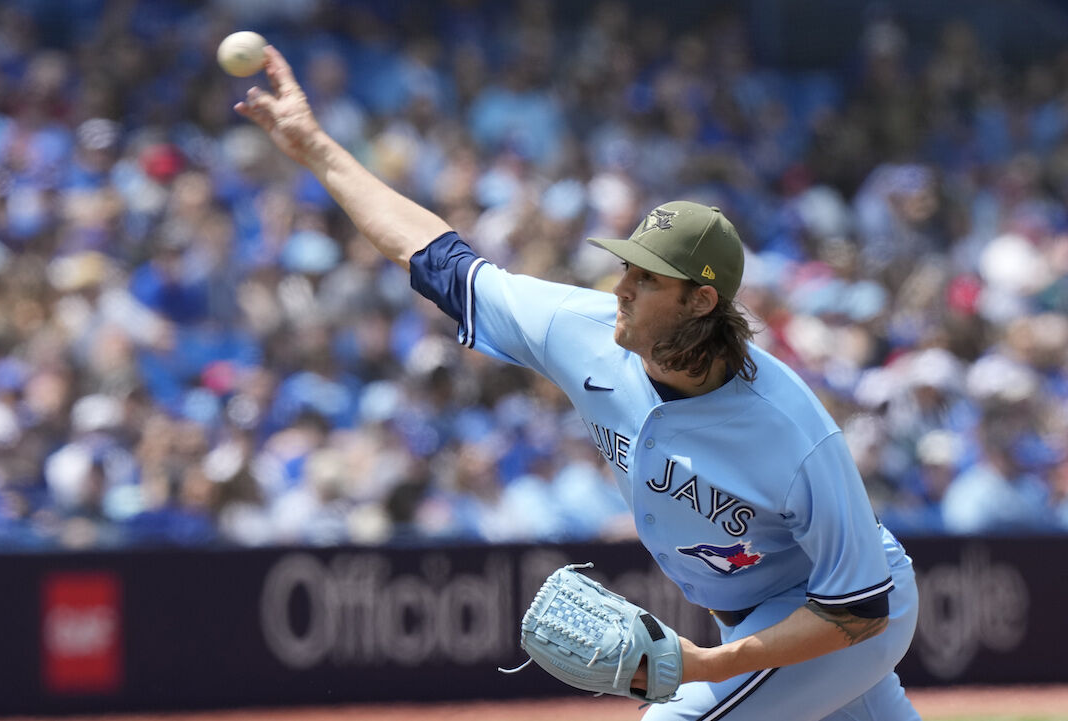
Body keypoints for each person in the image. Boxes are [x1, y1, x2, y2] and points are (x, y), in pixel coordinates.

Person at [235, 46, 921, 721]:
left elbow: (857, 607)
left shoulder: (789, 426)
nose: (620, 286)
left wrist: (710, 663)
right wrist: (317, 147)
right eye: (626, 266)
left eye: (646, 278)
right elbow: (437, 259)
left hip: (847, 612)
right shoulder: (582, 326)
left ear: (700, 303)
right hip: (770, 612)